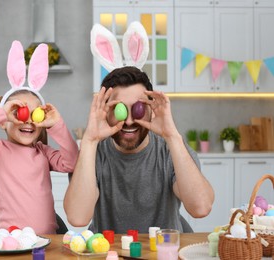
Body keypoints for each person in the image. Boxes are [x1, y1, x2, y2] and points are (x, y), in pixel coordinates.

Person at [64, 22, 214, 233]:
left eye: (138, 108)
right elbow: (78, 218)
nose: (128, 121)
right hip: (109, 252)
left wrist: (172, 136)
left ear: (152, 108)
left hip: (163, 251)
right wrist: (89, 140)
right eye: (118, 109)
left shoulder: (170, 150)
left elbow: (201, 207)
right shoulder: (93, 154)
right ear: (105, 111)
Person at [0, 41, 78, 234]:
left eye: (35, 115)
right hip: (11, 243)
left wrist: (56, 125)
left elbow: (72, 162)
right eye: (20, 114)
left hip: (48, 241)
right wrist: (2, 114)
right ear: (4, 121)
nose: (28, 122)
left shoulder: (43, 152)